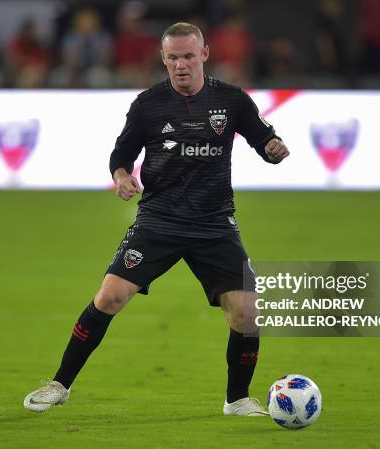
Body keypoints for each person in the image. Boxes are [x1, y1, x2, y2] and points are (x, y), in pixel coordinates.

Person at [23, 22, 289, 416]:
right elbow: (121, 155)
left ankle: (237, 399)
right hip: (158, 220)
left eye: (188, 56)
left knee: (246, 313)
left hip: (214, 224)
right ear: (163, 59)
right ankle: (59, 384)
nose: (181, 65)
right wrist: (121, 177)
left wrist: (273, 147)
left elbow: (262, 138)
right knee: (109, 297)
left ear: (204, 55)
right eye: (173, 58)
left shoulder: (232, 101)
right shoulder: (147, 104)